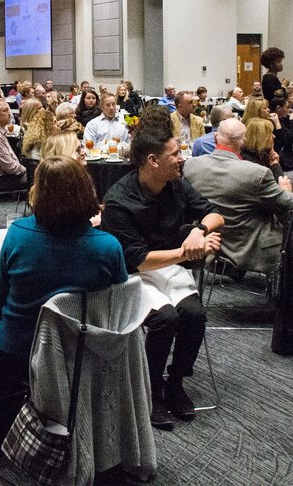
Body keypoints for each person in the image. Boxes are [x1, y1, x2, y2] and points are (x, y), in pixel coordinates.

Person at [101, 122, 224, 428]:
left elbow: (215, 213)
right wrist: (187, 252)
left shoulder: (176, 185)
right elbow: (139, 261)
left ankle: (176, 381)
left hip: (168, 268)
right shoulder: (118, 200)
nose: (182, 157)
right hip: (133, 276)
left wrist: (200, 230)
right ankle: (152, 389)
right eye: (175, 153)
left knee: (194, 314)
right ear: (153, 160)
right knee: (165, 318)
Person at [0, 155, 128, 376]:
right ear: (86, 190)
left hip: (18, 350)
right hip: (84, 353)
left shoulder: (17, 233)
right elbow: (119, 307)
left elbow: (1, 296)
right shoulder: (108, 247)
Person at [184, 119, 293, 275]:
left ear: (216, 137)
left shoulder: (191, 166)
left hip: (210, 245)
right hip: (251, 249)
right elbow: (291, 205)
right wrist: (287, 191)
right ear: (243, 143)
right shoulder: (257, 173)